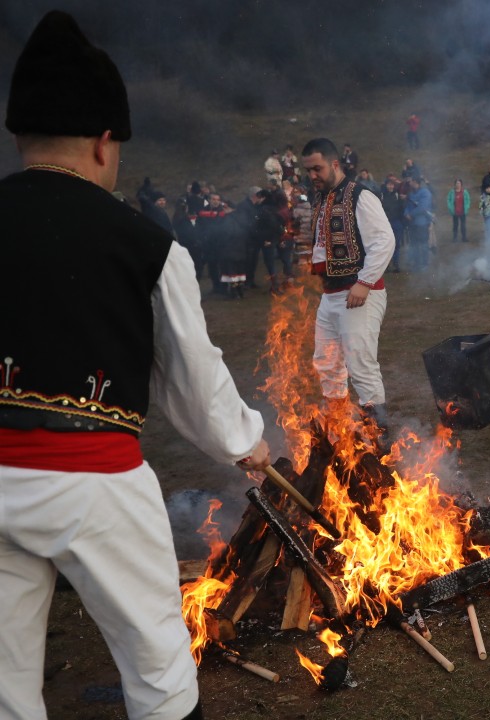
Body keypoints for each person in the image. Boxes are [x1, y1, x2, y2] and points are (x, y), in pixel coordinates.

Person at [0, 12, 270, 720]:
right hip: (94, 483)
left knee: (4, 684)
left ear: (21, 135)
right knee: (158, 674)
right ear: (102, 140)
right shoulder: (148, 246)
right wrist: (246, 442)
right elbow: (193, 381)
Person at [301, 138, 396, 435]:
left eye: (317, 169)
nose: (313, 175)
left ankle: (379, 438)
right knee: (326, 363)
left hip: (358, 294)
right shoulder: (320, 199)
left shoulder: (360, 195)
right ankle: (337, 427)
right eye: (309, 171)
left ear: (335, 164)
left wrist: (364, 283)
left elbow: (384, 241)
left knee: (361, 363)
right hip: (330, 296)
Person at [404, 176, 433, 270]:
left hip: (422, 223)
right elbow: (407, 205)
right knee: (414, 244)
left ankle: (425, 264)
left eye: (411, 181)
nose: (409, 183)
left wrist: (411, 214)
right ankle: (416, 263)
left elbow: (422, 207)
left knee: (423, 244)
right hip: (412, 224)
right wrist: (406, 213)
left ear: (415, 182)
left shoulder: (425, 193)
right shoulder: (411, 193)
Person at [446, 178, 470, 242]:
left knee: (463, 226)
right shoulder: (451, 192)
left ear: (461, 184)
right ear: (455, 184)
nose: (458, 184)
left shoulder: (464, 192)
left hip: (463, 211)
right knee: (455, 226)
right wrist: (450, 207)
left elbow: (468, 200)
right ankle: (455, 238)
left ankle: (464, 238)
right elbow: (448, 200)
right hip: (455, 212)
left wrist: (467, 207)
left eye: (459, 183)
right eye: (456, 183)